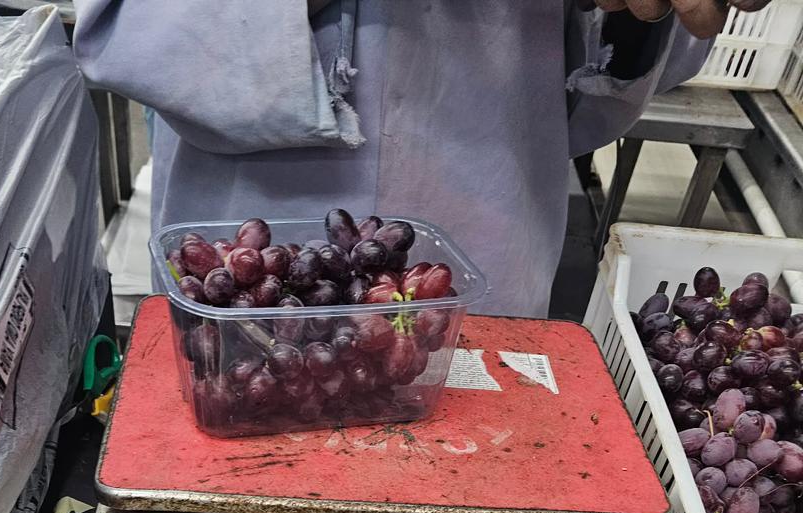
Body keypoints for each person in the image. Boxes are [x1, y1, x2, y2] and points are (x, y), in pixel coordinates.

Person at [73, 0, 762, 317]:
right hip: (246, 272)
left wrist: (632, 14)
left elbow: (613, 67)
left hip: (488, 252)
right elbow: (125, 26)